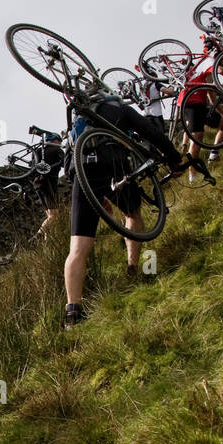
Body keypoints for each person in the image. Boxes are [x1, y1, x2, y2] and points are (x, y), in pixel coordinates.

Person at [62, 94, 186, 328]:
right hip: (113, 163)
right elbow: (150, 131)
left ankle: (72, 312)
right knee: (132, 213)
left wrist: (91, 192)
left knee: (77, 247)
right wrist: (173, 158)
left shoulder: (78, 116)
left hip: (83, 172)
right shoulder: (116, 106)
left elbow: (68, 162)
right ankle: (132, 267)